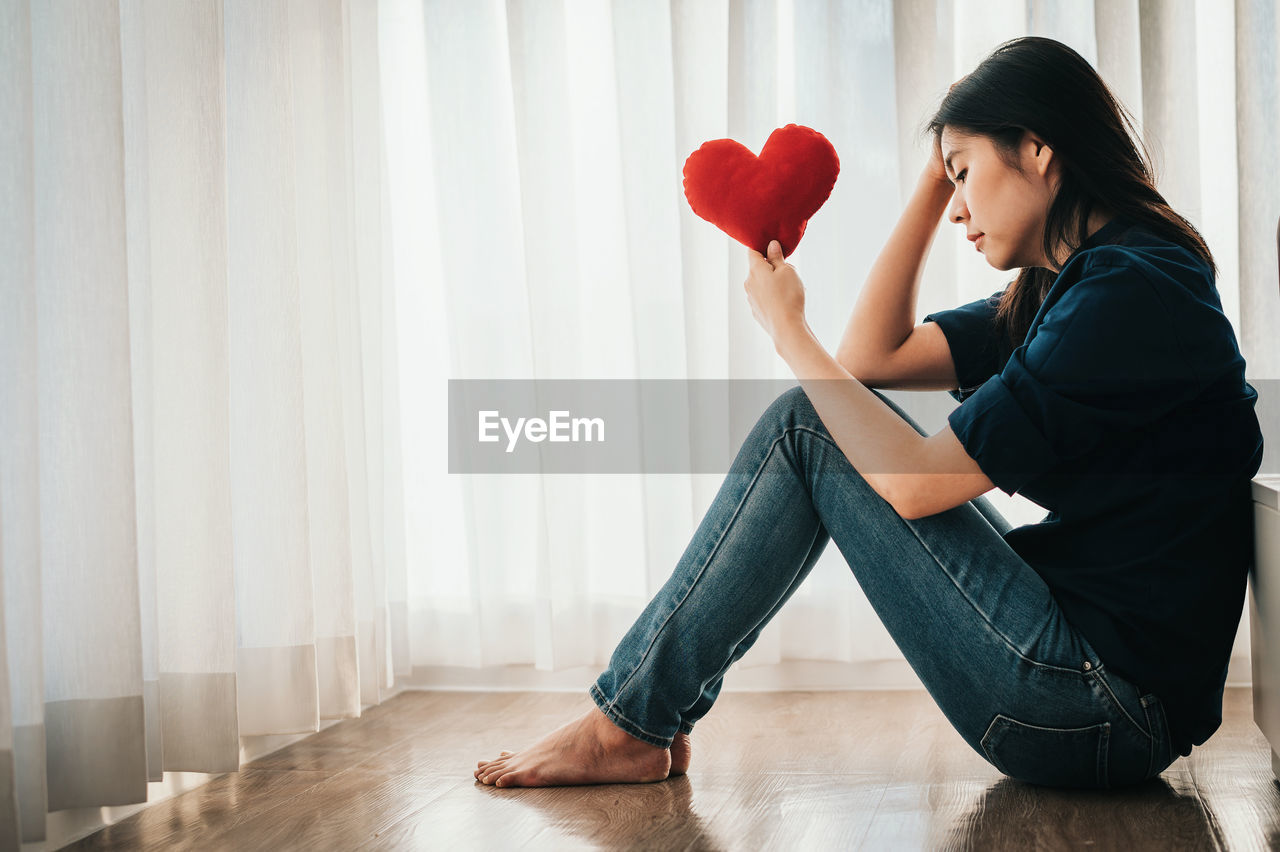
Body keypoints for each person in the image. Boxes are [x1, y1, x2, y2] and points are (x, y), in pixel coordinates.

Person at [474, 36, 1263, 790]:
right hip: (1098, 697)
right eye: (946, 182)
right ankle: (639, 715)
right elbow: (872, 360)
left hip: (1094, 708)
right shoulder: (1090, 281)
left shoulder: (1123, 293)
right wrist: (932, 179)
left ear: (1037, 148)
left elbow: (915, 484)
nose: (957, 209)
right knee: (824, 420)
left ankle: (627, 724)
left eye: (964, 173)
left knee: (804, 426)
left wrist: (788, 332)